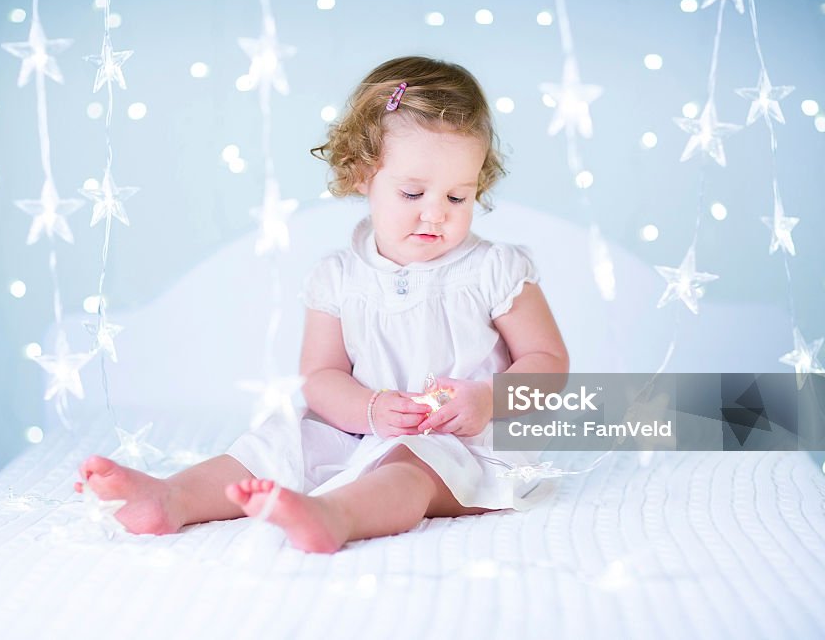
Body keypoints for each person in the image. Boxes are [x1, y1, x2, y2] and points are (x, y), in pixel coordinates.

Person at [75, 56, 569, 553]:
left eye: (459, 197)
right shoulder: (338, 277)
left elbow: (548, 364)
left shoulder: (493, 270)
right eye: (413, 191)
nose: (436, 212)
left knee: (411, 468)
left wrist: (487, 400)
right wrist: (369, 409)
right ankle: (171, 498)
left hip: (463, 445)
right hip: (359, 430)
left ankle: (336, 514)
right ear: (362, 174)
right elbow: (320, 376)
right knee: (280, 441)